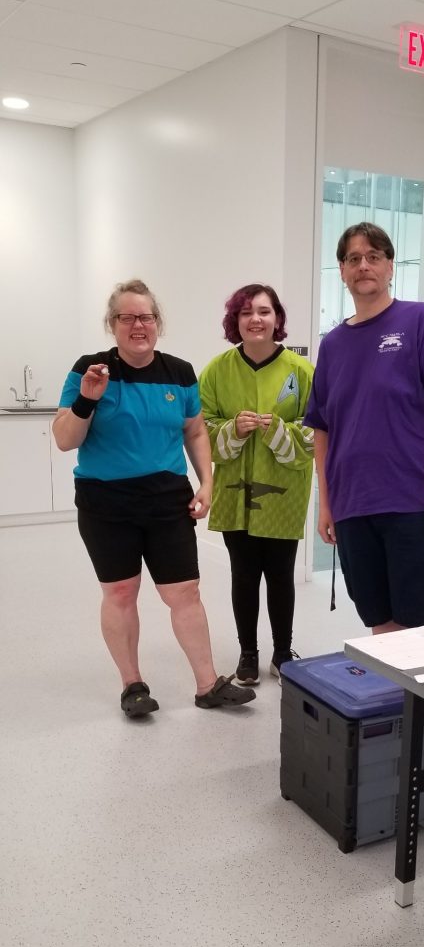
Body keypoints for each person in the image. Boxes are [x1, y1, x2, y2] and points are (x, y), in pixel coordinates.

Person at [52, 279, 255, 716]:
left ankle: (208, 685)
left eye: (145, 316)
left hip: (166, 500)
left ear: (157, 322)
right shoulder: (90, 370)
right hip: (106, 504)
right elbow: (65, 439)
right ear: (112, 324)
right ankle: (133, 686)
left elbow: (195, 430)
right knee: (121, 592)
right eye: (126, 317)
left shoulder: (179, 373)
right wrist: (87, 400)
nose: (137, 325)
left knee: (185, 592)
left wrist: (207, 483)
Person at [304, 222, 424, 633]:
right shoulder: (333, 345)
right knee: (378, 620)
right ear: (342, 270)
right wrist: (327, 503)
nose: (364, 265)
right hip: (355, 505)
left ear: (390, 266)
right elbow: (323, 429)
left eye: (374, 257)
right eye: (353, 258)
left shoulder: (420, 321)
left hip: (418, 502)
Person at [199, 284, 314, 684]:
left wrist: (277, 430)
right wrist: (232, 429)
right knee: (243, 574)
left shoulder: (302, 371)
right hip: (235, 490)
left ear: (277, 318)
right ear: (236, 320)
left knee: (281, 573)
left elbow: (318, 430)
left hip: (285, 491)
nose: (255, 319)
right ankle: (248, 653)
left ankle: (283, 652)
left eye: (264, 311)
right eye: (246, 312)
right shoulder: (217, 370)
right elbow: (199, 428)